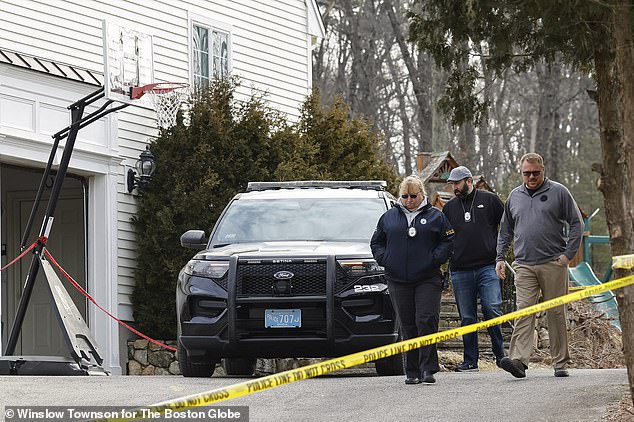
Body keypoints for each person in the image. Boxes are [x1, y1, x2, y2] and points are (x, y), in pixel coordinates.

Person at [495, 153, 583, 378]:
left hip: (553, 262)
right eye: (527, 173)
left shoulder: (559, 192)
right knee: (524, 311)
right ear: (521, 172)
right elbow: (505, 230)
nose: (531, 177)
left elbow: (576, 224)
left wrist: (567, 256)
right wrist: (500, 258)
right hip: (524, 265)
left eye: (536, 173)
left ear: (543, 170)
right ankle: (518, 361)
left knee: (556, 312)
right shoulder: (514, 196)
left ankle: (560, 363)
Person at [370, 175, 454, 384]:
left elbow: (448, 239)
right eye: (405, 196)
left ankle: (428, 369)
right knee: (408, 325)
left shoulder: (436, 216)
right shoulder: (389, 217)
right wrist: (385, 259)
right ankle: (412, 371)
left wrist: (434, 259)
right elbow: (376, 242)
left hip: (427, 278)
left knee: (425, 320)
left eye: (413, 196)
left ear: (422, 195)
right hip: (398, 279)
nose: (408, 200)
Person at [442, 166, 506, 372]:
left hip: (487, 267)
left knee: (491, 309)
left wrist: (501, 255)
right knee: (467, 317)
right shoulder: (449, 207)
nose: (454, 187)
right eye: (452, 184)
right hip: (460, 270)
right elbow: (444, 237)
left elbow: (506, 227)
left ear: (469, 181)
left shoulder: (490, 200)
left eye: (457, 183)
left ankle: (501, 356)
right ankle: (470, 361)